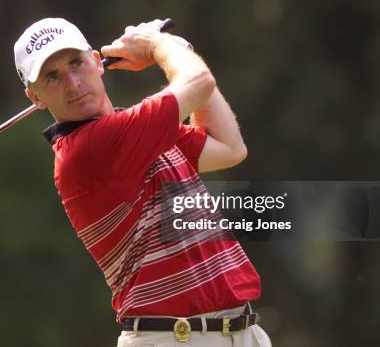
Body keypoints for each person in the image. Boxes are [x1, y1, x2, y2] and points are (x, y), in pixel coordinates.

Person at [14, 18, 271, 346]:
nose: (73, 83)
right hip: (174, 339)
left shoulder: (134, 131)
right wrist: (156, 45)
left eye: (76, 63)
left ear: (97, 62)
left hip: (241, 333)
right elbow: (198, 81)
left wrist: (176, 49)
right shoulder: (88, 148)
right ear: (35, 97)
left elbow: (229, 147)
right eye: (53, 76)